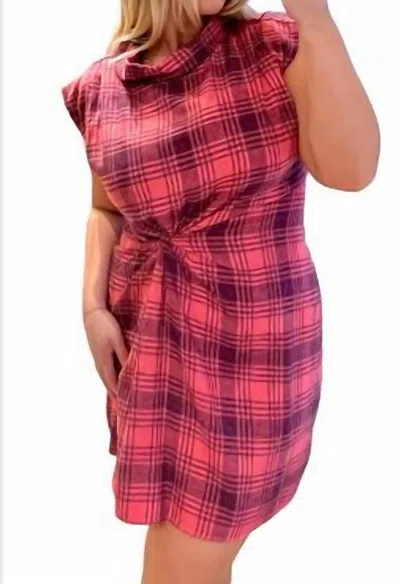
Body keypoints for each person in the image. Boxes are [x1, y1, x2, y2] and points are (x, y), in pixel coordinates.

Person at [61, 1, 380, 582]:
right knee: (185, 551)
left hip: (250, 352)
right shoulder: (102, 86)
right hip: (150, 346)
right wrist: (92, 306)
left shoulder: (274, 46)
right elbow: (105, 208)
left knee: (182, 562)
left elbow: (352, 170)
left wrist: (315, 18)